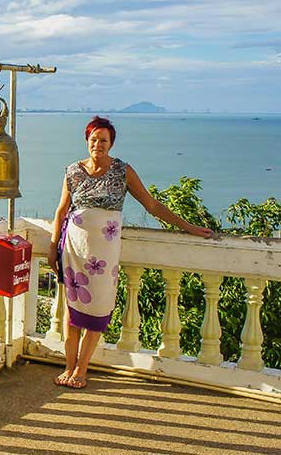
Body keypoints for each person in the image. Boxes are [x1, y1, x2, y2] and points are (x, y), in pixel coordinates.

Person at [47, 116, 213, 389]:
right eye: (93, 139)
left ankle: (82, 369)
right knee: (72, 313)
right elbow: (61, 211)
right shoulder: (73, 172)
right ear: (86, 141)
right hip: (74, 251)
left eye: (103, 140)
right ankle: (68, 367)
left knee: (98, 308)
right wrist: (53, 247)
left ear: (111, 143)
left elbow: (152, 205)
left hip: (104, 255)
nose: (97, 144)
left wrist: (187, 226)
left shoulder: (123, 171)